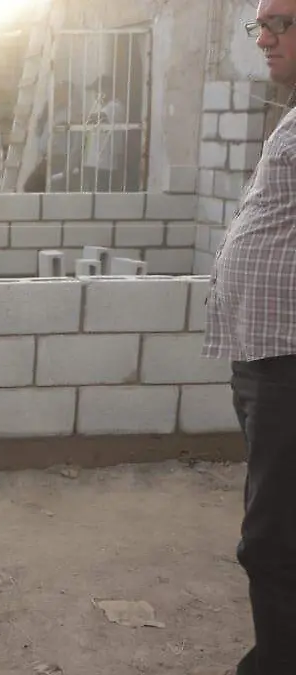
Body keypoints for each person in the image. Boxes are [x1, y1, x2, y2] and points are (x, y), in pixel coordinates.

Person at [204, 2, 296, 673]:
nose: (263, 37)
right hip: (267, 355)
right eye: (259, 24)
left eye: (282, 23)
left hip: (289, 365)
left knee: (272, 538)